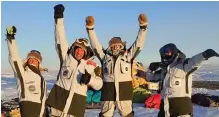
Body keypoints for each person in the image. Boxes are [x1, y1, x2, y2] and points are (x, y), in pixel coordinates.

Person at [86, 13, 149, 117]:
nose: (115, 47)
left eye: (118, 45)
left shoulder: (128, 56)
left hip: (124, 93)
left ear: (122, 46)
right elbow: (95, 45)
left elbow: (139, 44)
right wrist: (90, 29)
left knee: (127, 115)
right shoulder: (104, 57)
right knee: (105, 115)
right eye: (113, 45)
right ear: (110, 47)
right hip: (108, 93)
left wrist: (143, 27)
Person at [46, 4, 103, 117]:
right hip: (58, 103)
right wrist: (59, 18)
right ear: (73, 49)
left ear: (85, 53)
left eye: (82, 51)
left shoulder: (90, 66)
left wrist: (89, 79)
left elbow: (99, 85)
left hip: (75, 107)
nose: (79, 52)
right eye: (77, 49)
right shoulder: (66, 57)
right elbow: (60, 38)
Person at [157, 43, 219, 117]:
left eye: (167, 51)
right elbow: (150, 78)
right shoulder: (164, 70)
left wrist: (203, 55)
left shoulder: (183, 65)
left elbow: (193, 62)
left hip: (181, 110)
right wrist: (151, 70)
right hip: (165, 109)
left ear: (174, 51)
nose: (165, 54)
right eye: (163, 52)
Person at [6, 26, 48, 117]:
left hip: (42, 112)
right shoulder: (22, 74)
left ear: (39, 63)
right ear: (27, 61)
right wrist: (11, 38)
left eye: (36, 59)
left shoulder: (42, 79)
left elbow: (43, 98)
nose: (33, 60)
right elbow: (14, 57)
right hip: (29, 110)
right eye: (30, 58)